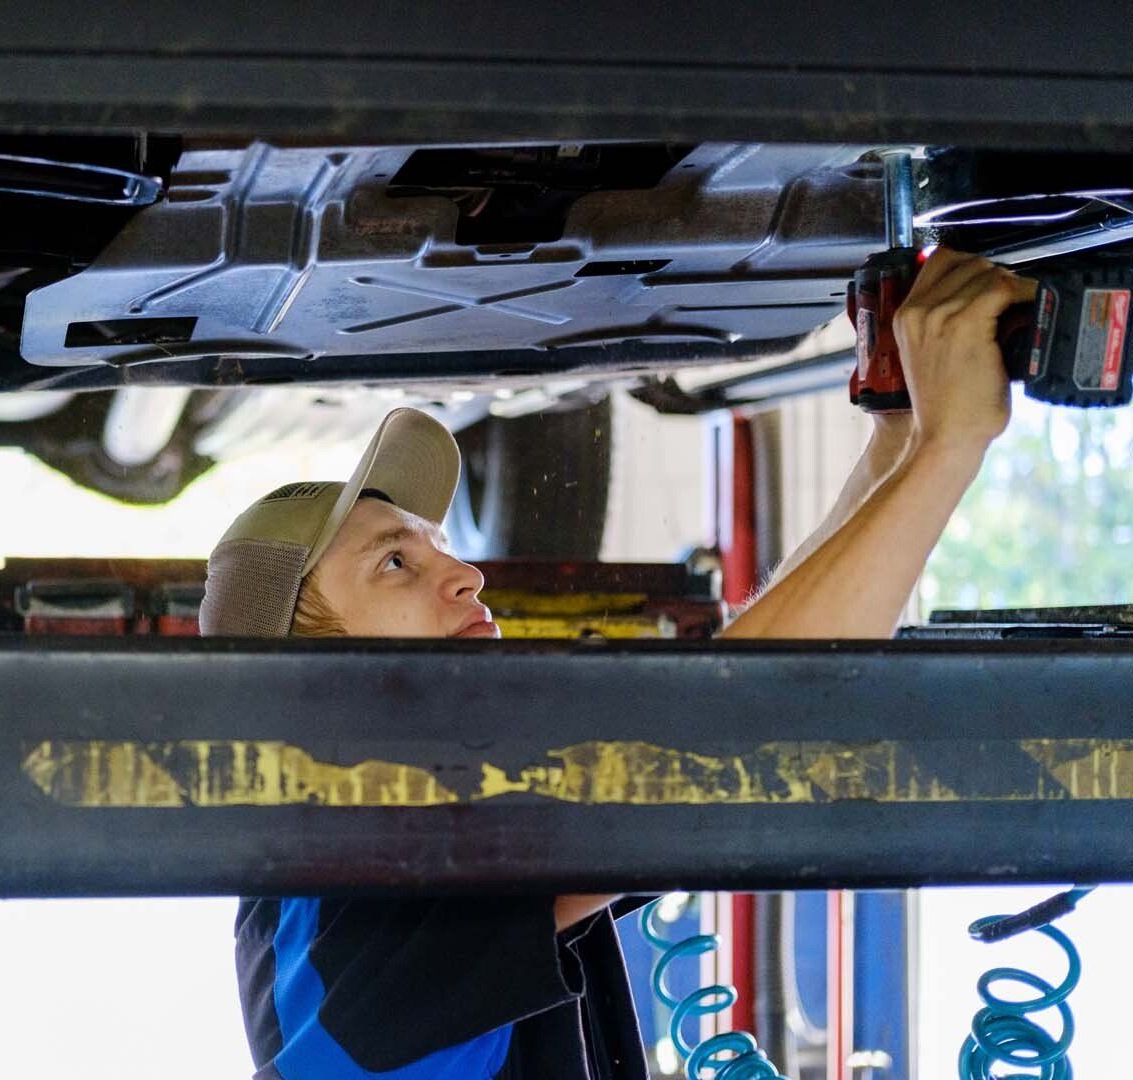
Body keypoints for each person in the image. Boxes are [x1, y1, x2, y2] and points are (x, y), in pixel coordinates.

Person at [199, 249, 1035, 1079]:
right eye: (395, 564)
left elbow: (754, 698)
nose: (465, 575)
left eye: (440, 547)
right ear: (303, 678)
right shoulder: (352, 897)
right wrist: (947, 445)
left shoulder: (419, 832)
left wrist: (899, 436)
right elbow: (741, 726)